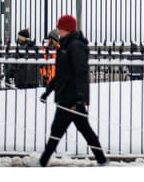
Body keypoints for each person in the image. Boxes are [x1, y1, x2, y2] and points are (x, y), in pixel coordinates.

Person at [38, 14, 107, 166]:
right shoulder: (65, 45)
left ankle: (42, 162)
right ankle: (102, 160)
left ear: (66, 29)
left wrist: (79, 98)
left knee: (57, 130)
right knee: (83, 130)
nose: (58, 30)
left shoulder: (75, 46)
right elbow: (61, 75)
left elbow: (81, 73)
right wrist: (48, 91)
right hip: (67, 97)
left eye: (60, 27)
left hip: (71, 99)